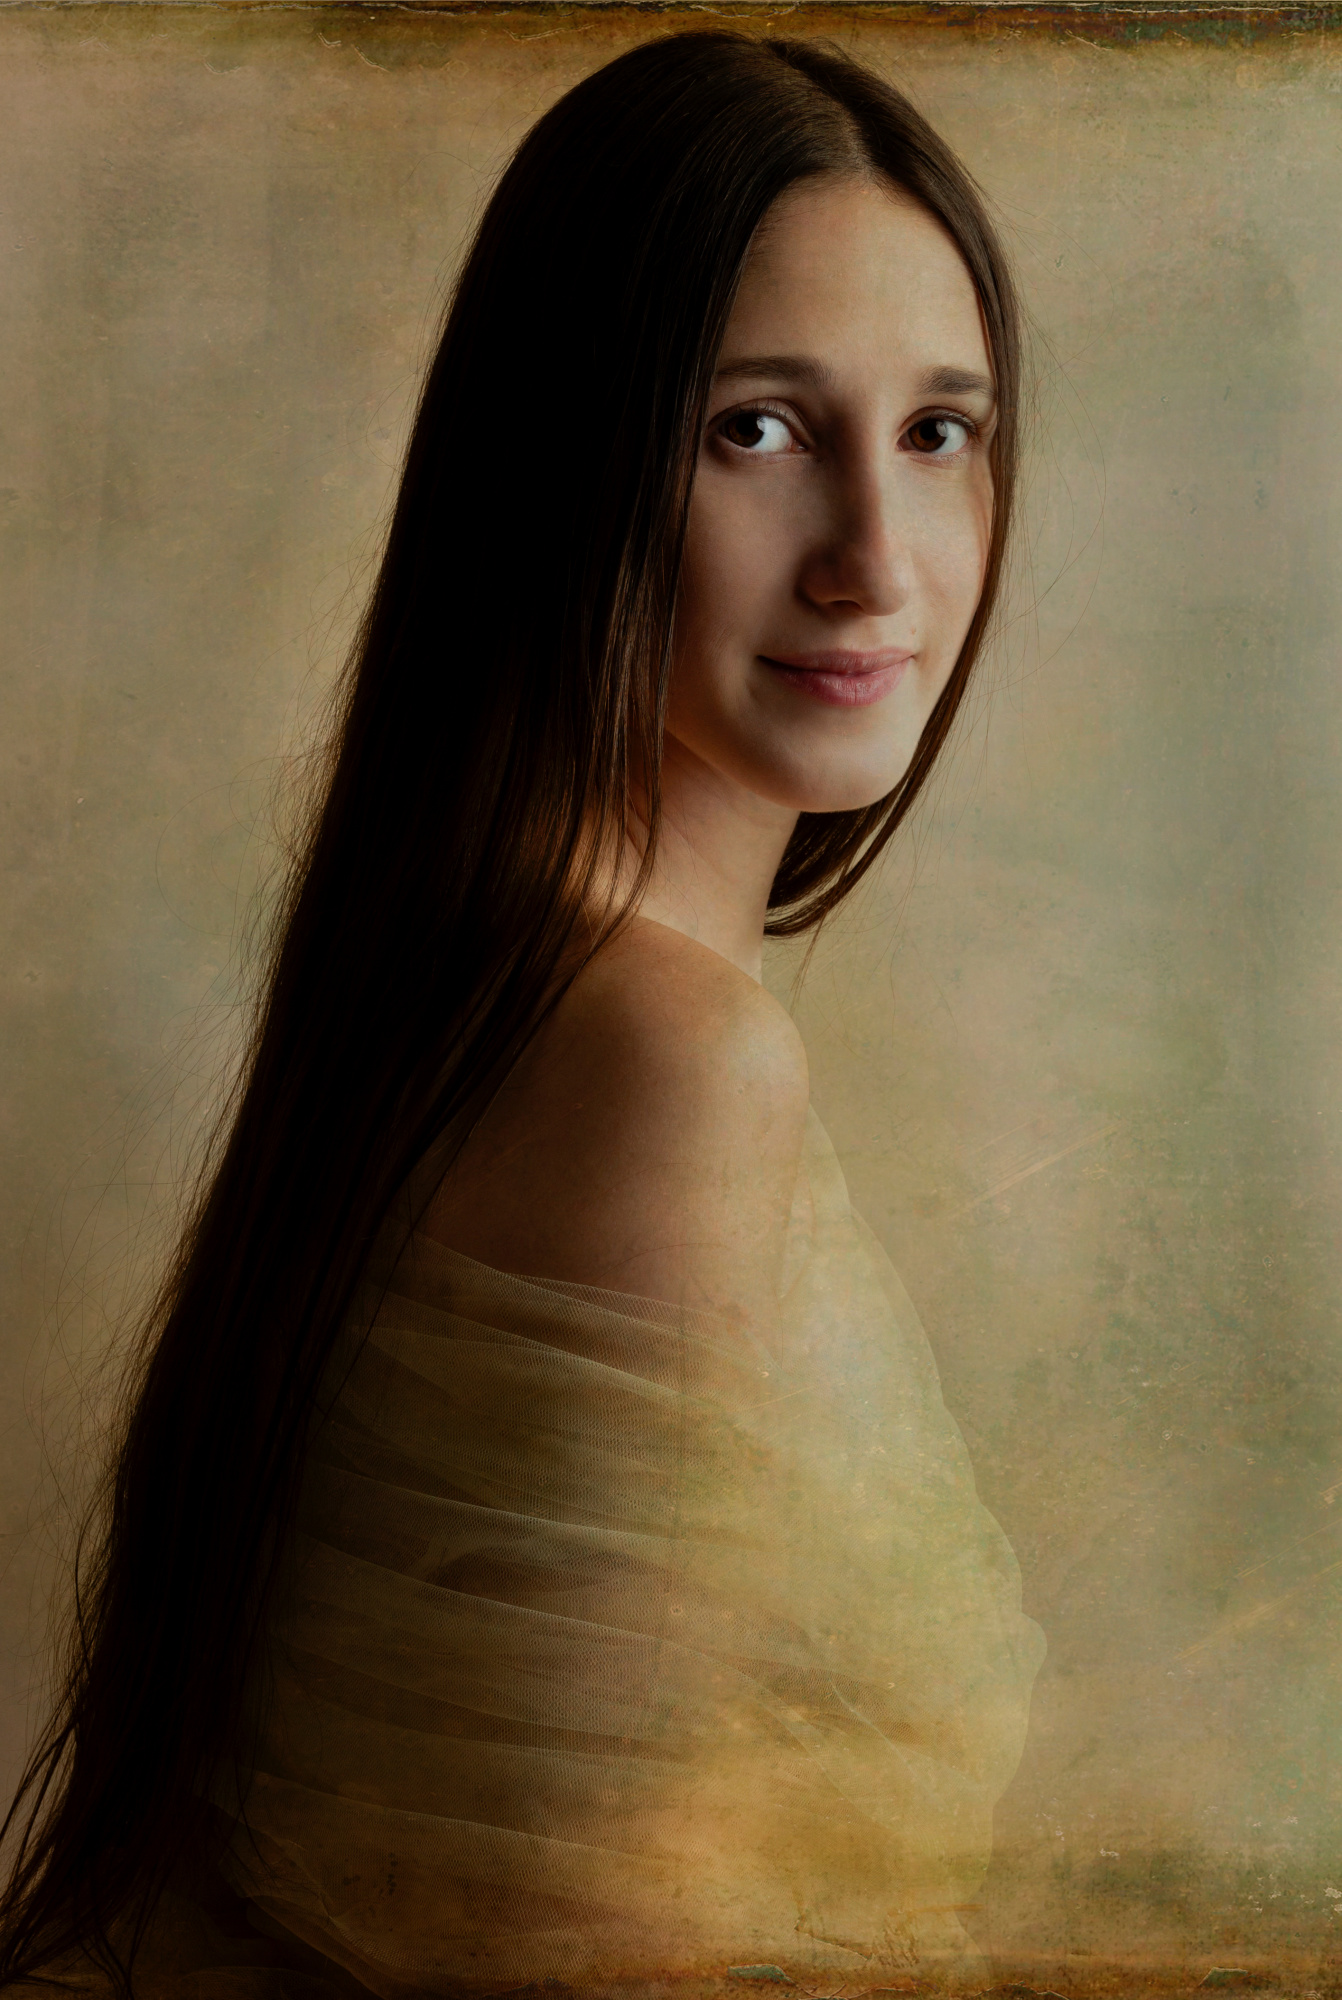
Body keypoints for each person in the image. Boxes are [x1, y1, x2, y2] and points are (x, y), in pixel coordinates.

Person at [0, 31, 1044, 1998]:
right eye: (754, 428)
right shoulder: (662, 1054)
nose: (872, 560)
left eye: (935, 432)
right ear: (563, 462)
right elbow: (561, 1948)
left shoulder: (467, 960)